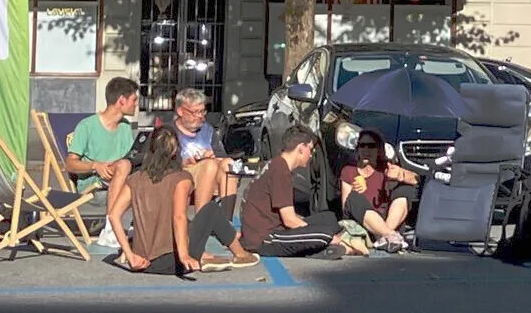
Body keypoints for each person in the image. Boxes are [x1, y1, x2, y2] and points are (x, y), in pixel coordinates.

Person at [107, 126, 259, 277]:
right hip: (172, 261)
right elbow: (178, 217)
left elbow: (113, 216)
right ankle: (240, 254)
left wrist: (130, 255)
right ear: (175, 151)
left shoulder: (134, 179)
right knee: (211, 210)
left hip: (143, 262)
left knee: (190, 222)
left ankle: (205, 257)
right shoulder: (181, 179)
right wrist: (184, 255)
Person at [240, 126, 361, 258]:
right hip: (265, 239)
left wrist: (311, 224)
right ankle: (332, 247)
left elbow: (288, 215)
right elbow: (289, 220)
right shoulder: (280, 171)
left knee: (328, 218)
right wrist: (315, 231)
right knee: (324, 234)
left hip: (268, 229)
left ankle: (321, 247)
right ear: (301, 148)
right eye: (310, 149)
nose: (311, 154)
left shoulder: (277, 165)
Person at [66, 77, 140, 247]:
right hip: (94, 185)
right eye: (133, 100)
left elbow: (129, 158)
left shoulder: (125, 126)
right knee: (123, 165)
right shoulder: (87, 126)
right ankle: (110, 229)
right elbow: (70, 164)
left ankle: (144, 227)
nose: (136, 104)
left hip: (119, 180)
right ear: (121, 100)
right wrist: (95, 165)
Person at [340, 129, 419, 253]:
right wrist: (356, 190)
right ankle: (389, 236)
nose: (366, 150)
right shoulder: (349, 171)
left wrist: (401, 175)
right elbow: (345, 206)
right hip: (362, 221)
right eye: (362, 146)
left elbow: (417, 180)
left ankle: (384, 235)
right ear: (357, 149)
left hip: (385, 218)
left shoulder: (386, 168)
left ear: (379, 150)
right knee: (353, 198)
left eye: (371, 146)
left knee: (405, 190)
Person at [172, 88, 238, 207]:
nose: (200, 116)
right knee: (209, 165)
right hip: (180, 177)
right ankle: (201, 220)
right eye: (195, 112)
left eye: (202, 112)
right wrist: (185, 161)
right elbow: (159, 161)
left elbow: (222, 156)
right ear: (180, 111)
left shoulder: (207, 130)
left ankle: (226, 220)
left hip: (210, 177)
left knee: (228, 164)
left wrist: (214, 157)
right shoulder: (168, 131)